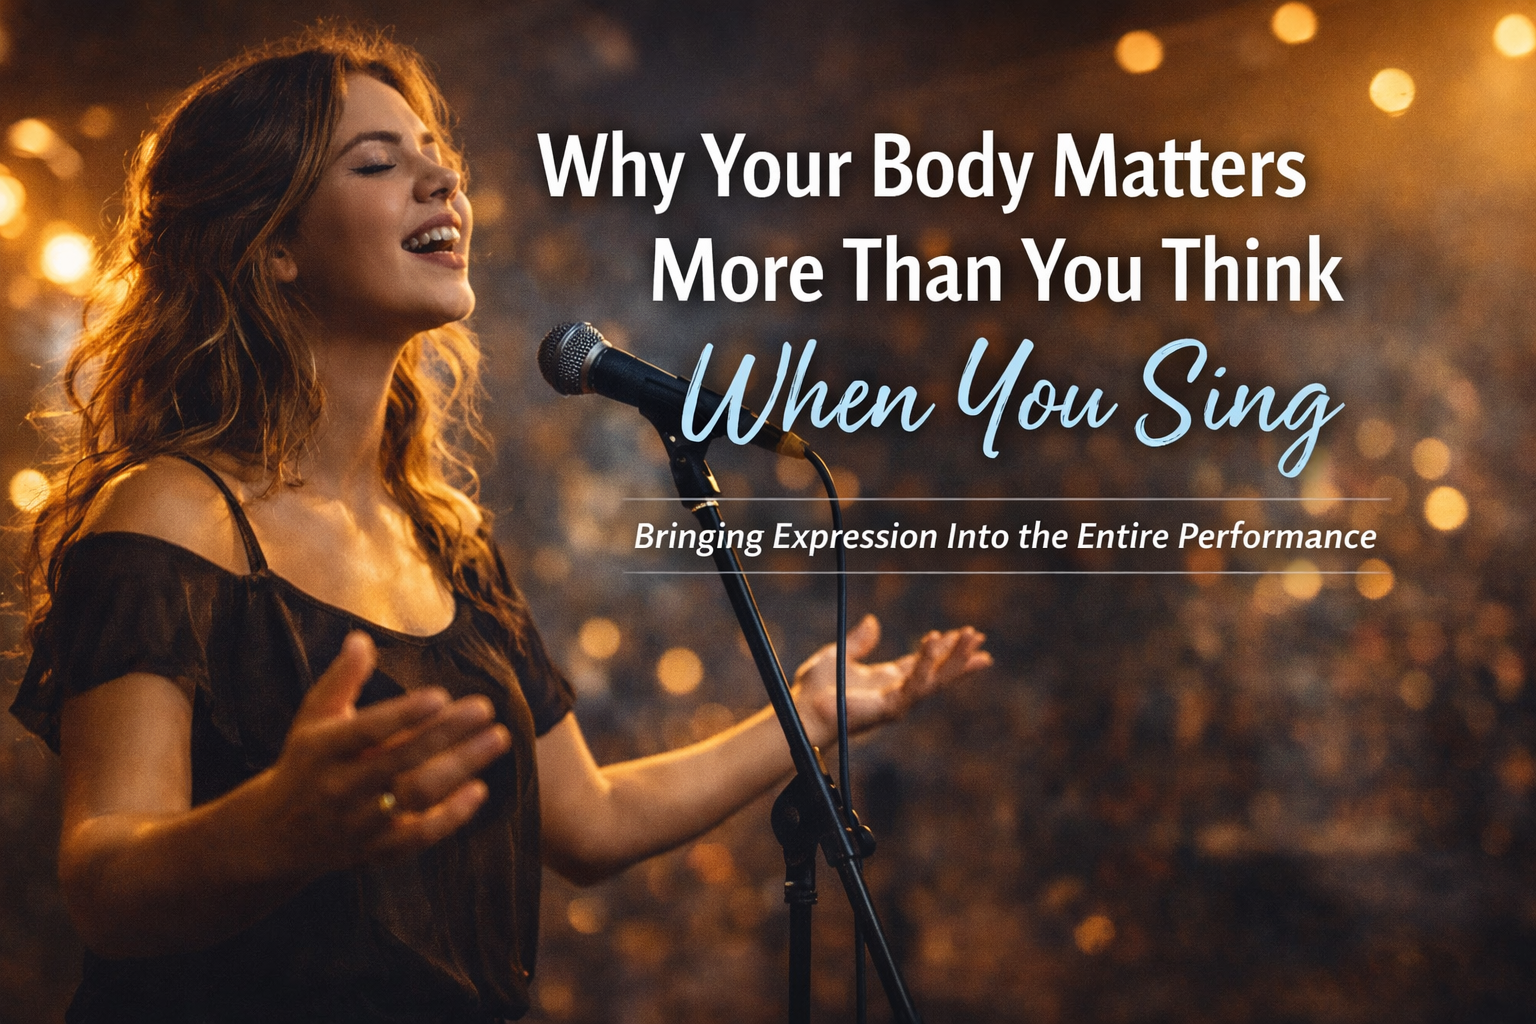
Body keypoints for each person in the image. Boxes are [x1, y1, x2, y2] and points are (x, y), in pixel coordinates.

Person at [10, 24, 992, 1024]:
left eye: (442, 161)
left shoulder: (447, 543)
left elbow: (590, 822)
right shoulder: (176, 512)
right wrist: (279, 826)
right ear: (272, 250)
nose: (442, 184)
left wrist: (809, 715)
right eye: (380, 163)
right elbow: (101, 877)